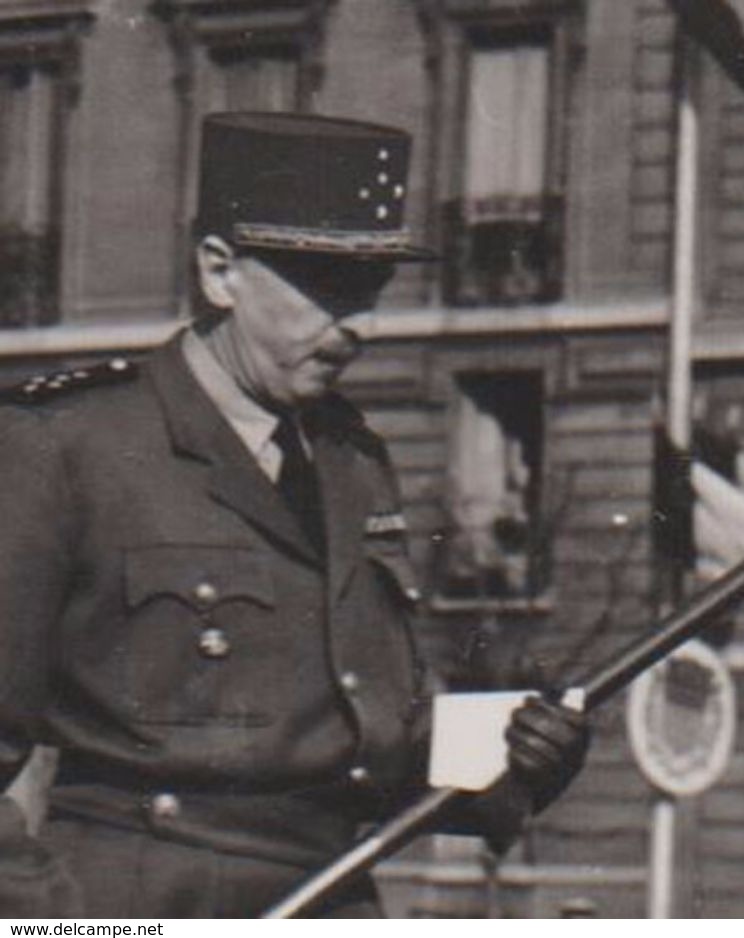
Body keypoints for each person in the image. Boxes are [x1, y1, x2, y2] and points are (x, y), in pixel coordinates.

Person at [0, 112, 590, 917]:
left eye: (374, 291)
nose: (362, 326)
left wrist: (518, 756)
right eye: (332, 288)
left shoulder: (352, 460)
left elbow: (370, 730)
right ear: (219, 271)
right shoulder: (66, 445)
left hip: (334, 898)